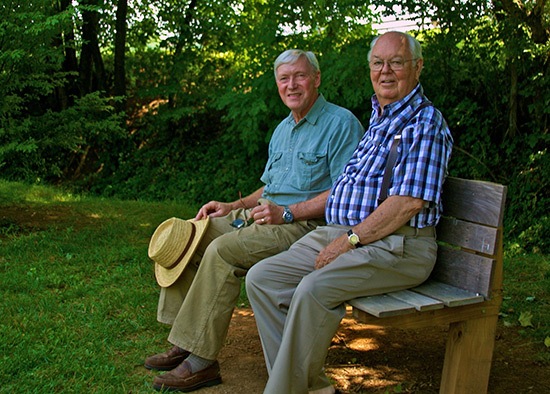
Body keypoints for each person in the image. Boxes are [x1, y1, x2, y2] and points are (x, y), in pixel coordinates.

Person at [246, 31, 454, 394]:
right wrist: (342, 235)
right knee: (263, 278)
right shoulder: (380, 119)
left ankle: (282, 390)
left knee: (312, 289)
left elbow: (407, 203)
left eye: (397, 62)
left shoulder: (425, 124)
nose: (385, 71)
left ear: (417, 67)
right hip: (345, 233)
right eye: (378, 63)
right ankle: (308, 387)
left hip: (398, 246)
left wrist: (350, 239)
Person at [145, 49, 364, 392]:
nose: (291, 85)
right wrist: (233, 204)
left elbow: (343, 193)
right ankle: (184, 339)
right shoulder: (282, 129)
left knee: (222, 250)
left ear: (317, 79)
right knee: (189, 235)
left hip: (304, 227)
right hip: (263, 216)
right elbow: (270, 187)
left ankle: (201, 361)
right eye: (284, 78)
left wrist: (287, 212)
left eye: (300, 76)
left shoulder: (340, 124)